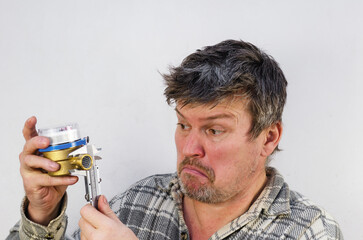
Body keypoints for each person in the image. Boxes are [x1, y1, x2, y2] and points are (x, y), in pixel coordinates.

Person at [7, 39, 343, 240]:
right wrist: (42, 212)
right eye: (183, 125)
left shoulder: (308, 231)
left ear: (268, 137)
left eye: (214, 130)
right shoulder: (137, 202)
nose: (189, 149)